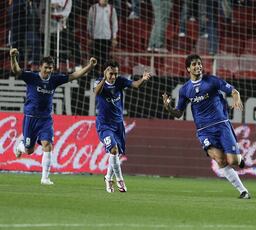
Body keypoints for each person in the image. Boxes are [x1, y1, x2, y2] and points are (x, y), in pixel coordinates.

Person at [162, 54, 250, 199]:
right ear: (188, 69)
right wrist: (168, 107)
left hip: (221, 125)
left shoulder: (212, 81)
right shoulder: (184, 90)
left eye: (199, 64)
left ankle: (240, 160)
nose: (198, 66)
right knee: (220, 160)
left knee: (233, 161)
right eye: (194, 64)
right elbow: (178, 113)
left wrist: (236, 99)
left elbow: (233, 91)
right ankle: (243, 191)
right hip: (204, 131)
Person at [10, 48, 97, 185]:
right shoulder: (31, 77)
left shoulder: (54, 80)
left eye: (51, 68)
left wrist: (89, 66)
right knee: (29, 150)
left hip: (45, 120)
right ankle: (20, 147)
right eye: (46, 68)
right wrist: (13, 58)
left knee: (47, 145)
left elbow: (74, 75)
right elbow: (16, 71)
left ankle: (45, 178)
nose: (49, 70)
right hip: (31, 118)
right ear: (40, 67)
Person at [94, 60, 151, 193]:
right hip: (104, 124)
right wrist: (103, 78)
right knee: (113, 150)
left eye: (115, 73)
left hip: (118, 124)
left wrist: (143, 79)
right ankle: (120, 179)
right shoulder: (99, 82)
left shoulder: (120, 81)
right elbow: (96, 92)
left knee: (116, 153)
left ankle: (108, 178)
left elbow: (135, 85)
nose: (113, 76)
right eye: (110, 73)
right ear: (105, 72)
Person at [87, 0, 118, 71]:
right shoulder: (93, 8)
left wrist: (114, 38)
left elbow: (114, 24)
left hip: (107, 38)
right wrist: (89, 37)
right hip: (95, 38)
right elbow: (89, 23)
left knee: (105, 59)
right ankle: (94, 77)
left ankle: (104, 76)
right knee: (95, 59)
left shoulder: (112, 9)